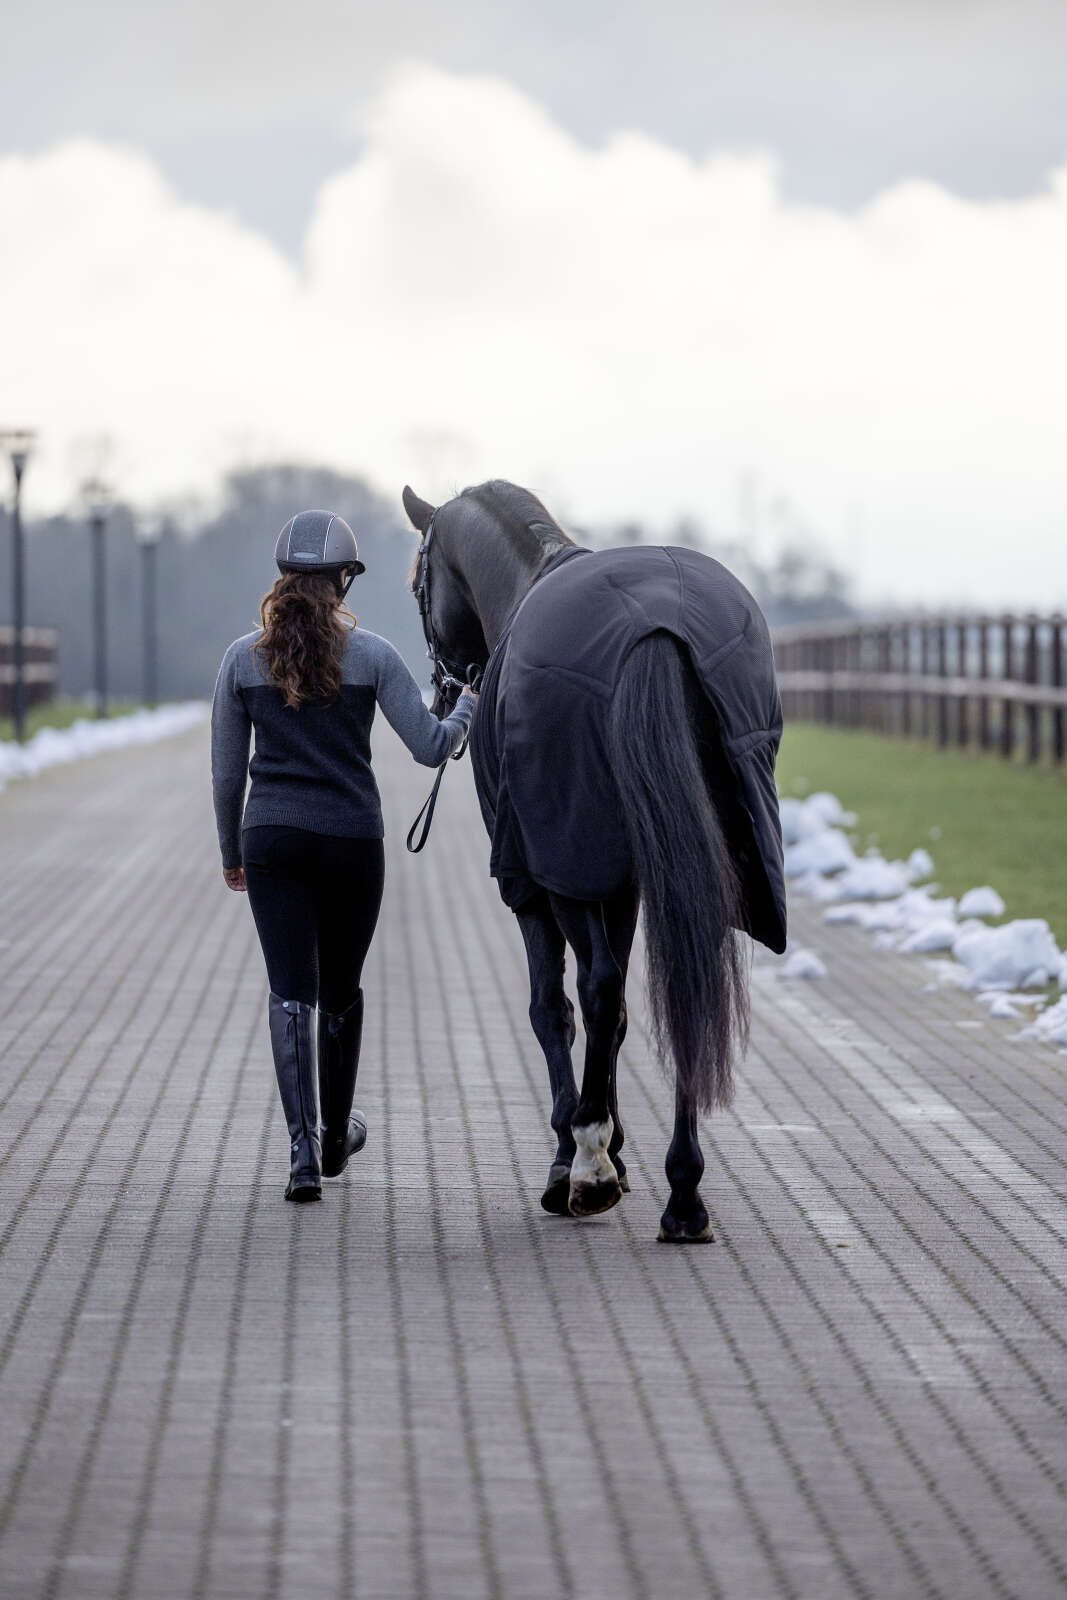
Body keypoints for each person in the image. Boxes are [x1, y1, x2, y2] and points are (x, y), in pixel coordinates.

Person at [211, 509, 475, 1202]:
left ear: (283, 577)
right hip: (353, 842)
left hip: (270, 839)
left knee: (289, 992)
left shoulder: (241, 660)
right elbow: (431, 746)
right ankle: (334, 1138)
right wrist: (469, 704)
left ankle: (300, 1155)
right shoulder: (375, 657)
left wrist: (229, 850)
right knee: (341, 992)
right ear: (344, 582)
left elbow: (225, 774)